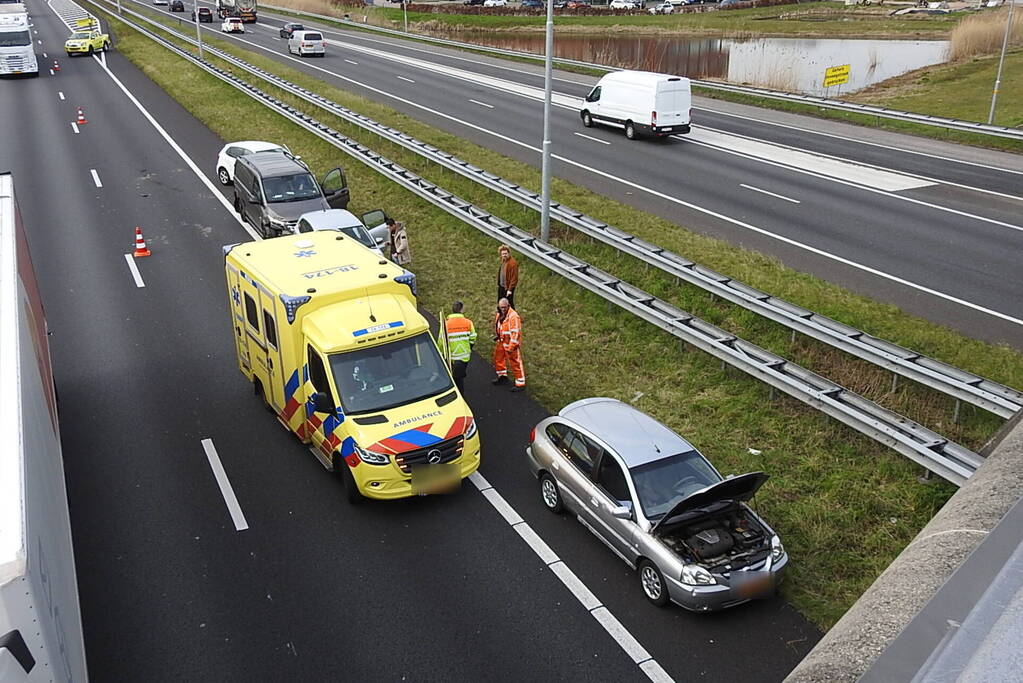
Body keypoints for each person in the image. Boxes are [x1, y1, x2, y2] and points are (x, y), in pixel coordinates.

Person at [437, 301, 477, 395]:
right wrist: (469, 347)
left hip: (452, 357)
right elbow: (473, 337)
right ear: (461, 310)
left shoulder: (446, 324)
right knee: (459, 379)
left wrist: (441, 354)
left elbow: (441, 341)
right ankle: (461, 396)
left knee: (454, 379)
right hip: (464, 356)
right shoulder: (468, 322)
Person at [492, 297, 525, 392]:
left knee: (515, 362)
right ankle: (502, 376)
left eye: (504, 307)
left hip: (510, 343)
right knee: (498, 359)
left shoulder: (513, 316)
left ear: (508, 306)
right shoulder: (500, 314)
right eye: (501, 307)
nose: (503, 309)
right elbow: (499, 326)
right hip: (502, 341)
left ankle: (520, 383)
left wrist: (511, 346)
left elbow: (515, 333)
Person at [496, 244, 518, 309]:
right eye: (503, 254)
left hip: (507, 288)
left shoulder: (513, 264)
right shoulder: (504, 260)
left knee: (509, 303)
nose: (504, 255)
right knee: (500, 301)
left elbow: (514, 278)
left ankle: (513, 315)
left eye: (505, 253)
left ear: (509, 253)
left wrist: (510, 290)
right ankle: (500, 313)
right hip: (502, 286)